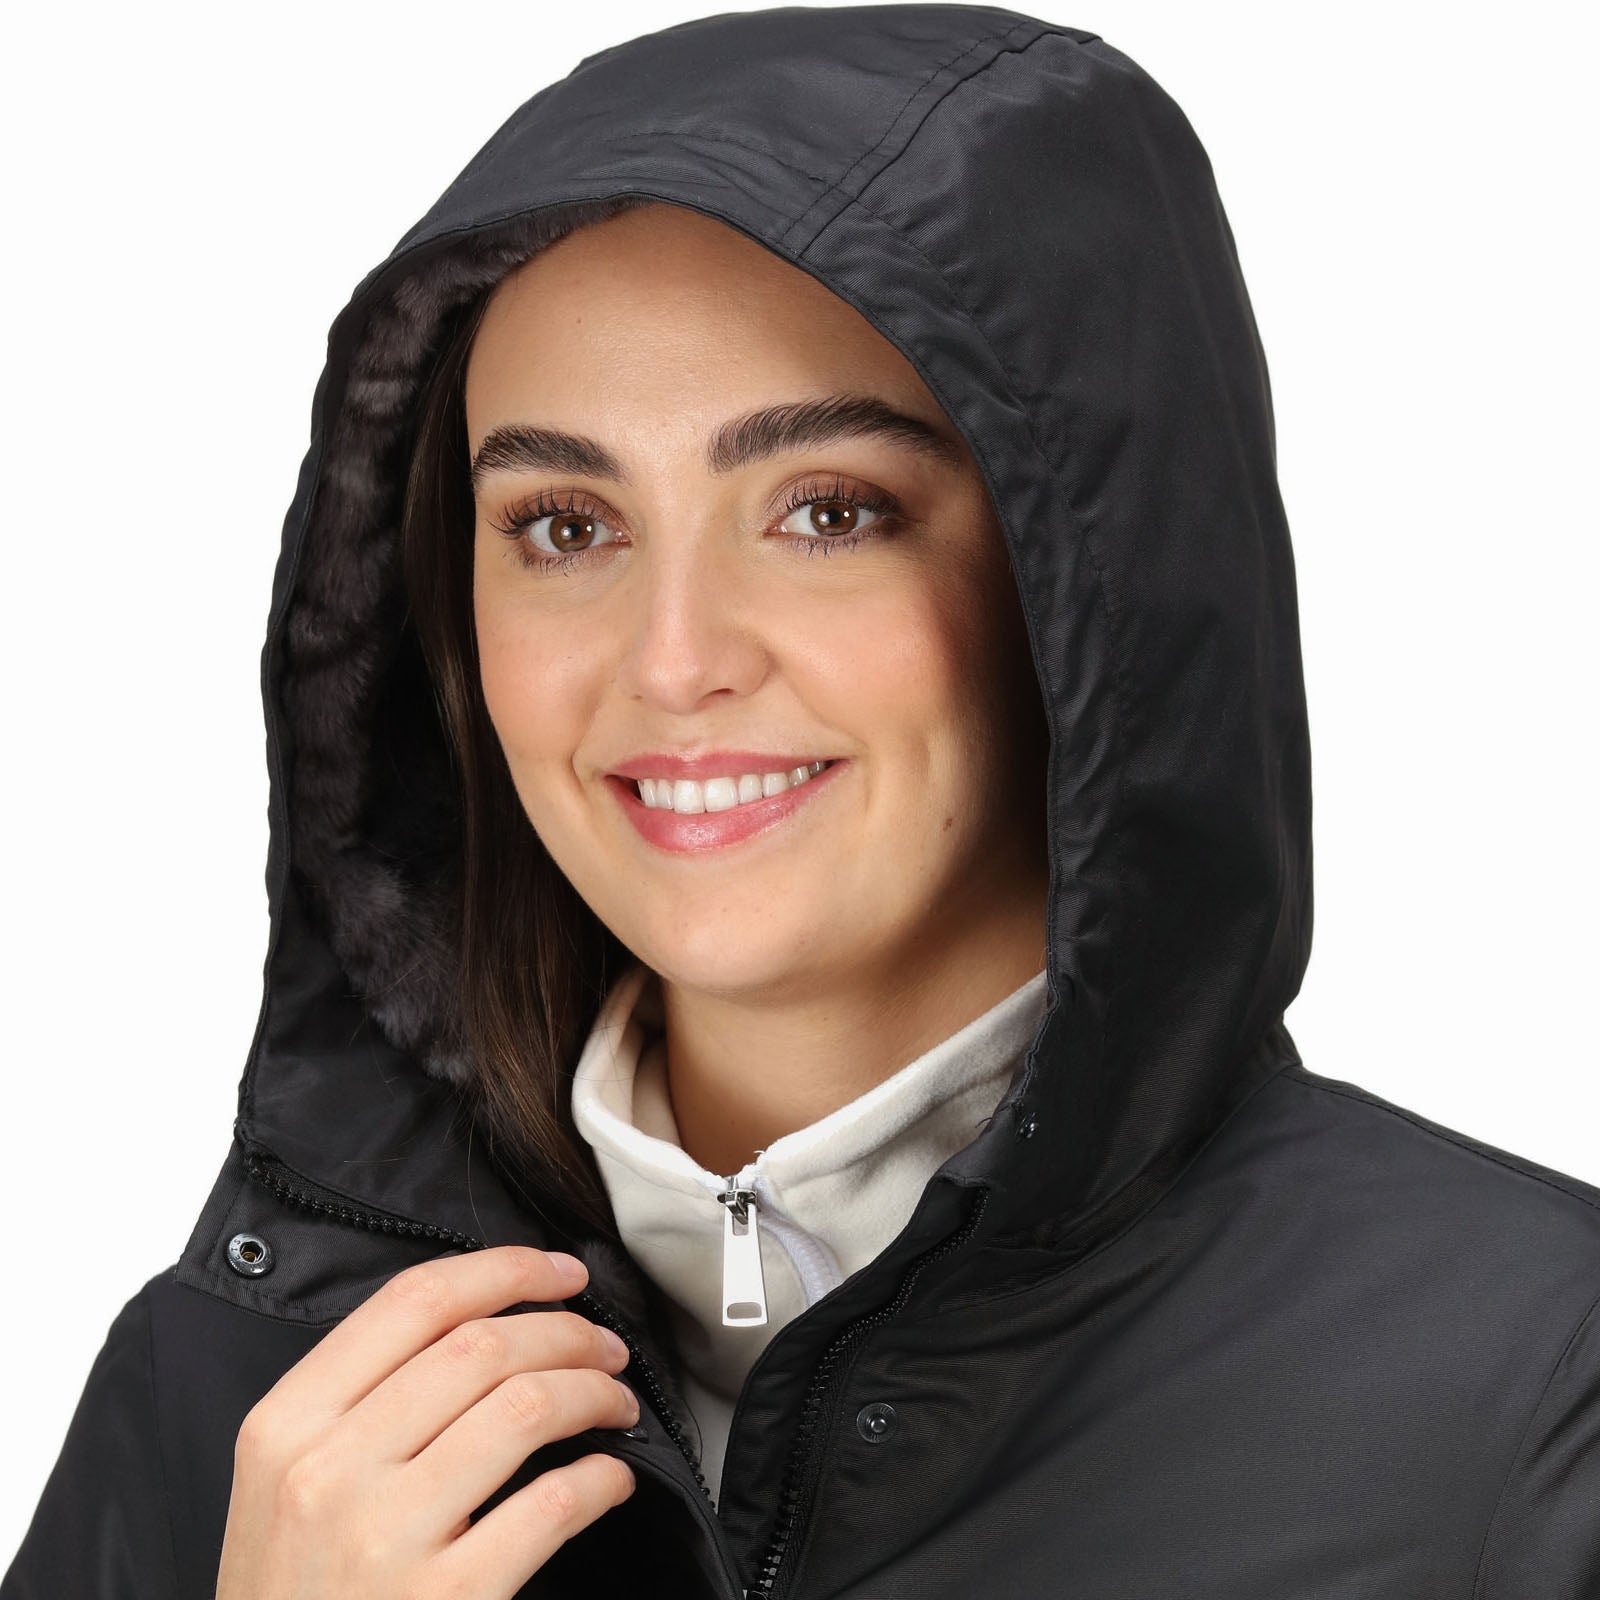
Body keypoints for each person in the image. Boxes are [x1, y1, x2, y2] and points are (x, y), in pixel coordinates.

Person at [5, 6, 1598, 1598]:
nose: (673, 660)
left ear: (1087, 583)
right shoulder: (243, 1400)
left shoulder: (1523, 1391)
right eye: (564, 525)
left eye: (827, 510)